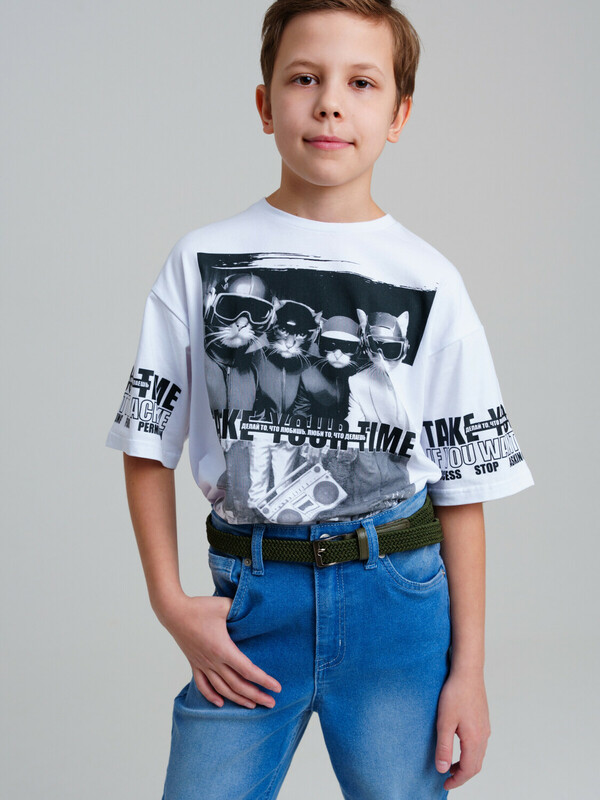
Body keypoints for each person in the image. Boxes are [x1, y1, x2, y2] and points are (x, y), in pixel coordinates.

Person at [105, 1, 534, 797]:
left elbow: (463, 489)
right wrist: (170, 602)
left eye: (361, 83)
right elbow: (145, 442)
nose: (331, 103)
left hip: (395, 604)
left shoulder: (432, 280)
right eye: (305, 78)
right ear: (265, 104)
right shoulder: (200, 259)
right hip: (252, 603)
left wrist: (469, 672)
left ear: (399, 115)